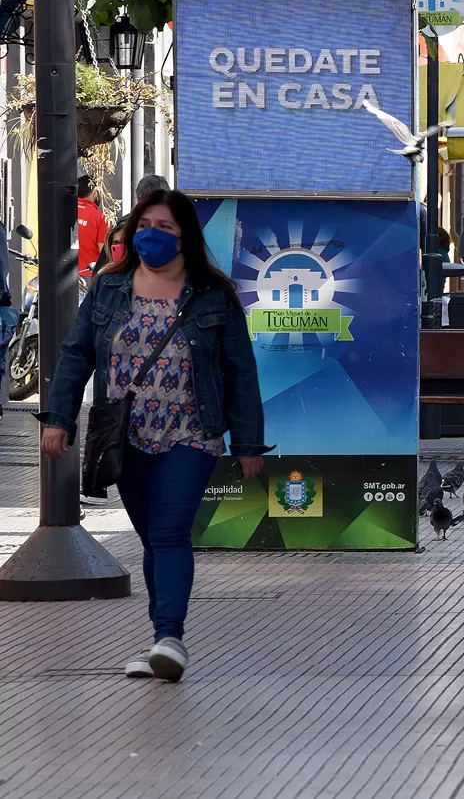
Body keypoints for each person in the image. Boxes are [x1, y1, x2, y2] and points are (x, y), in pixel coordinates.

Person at [38, 189, 268, 681]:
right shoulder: (108, 289)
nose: (152, 236)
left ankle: (171, 635)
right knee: (150, 538)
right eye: (145, 226)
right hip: (126, 437)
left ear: (185, 234)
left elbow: (240, 372)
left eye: (164, 227)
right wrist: (58, 419)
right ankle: (160, 640)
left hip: (191, 433)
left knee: (168, 533)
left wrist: (248, 444)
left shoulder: (214, 296)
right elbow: (77, 354)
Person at [76, 175, 109, 278]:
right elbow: (103, 252)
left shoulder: (64, 211)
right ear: (94, 193)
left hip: (63, 276)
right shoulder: (100, 218)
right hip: (88, 274)